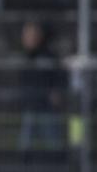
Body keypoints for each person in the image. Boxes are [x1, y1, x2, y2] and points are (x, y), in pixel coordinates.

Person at [16, 21, 65, 159]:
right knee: (27, 139)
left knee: (52, 137)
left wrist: (56, 91)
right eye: (27, 35)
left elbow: (58, 76)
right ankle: (25, 163)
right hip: (31, 103)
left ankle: (57, 162)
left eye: (32, 35)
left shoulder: (48, 55)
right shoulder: (26, 56)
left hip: (46, 104)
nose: (29, 38)